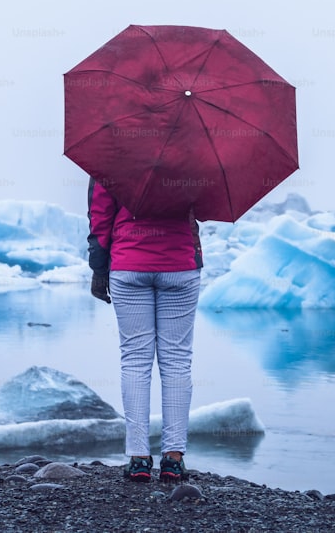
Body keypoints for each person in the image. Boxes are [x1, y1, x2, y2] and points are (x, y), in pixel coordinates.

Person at [86, 177, 203, 483]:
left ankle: (139, 459)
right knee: (177, 361)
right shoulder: (193, 151)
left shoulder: (110, 153)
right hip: (179, 263)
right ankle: (173, 460)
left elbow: (100, 215)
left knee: (135, 360)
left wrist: (99, 269)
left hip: (129, 263)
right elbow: (206, 204)